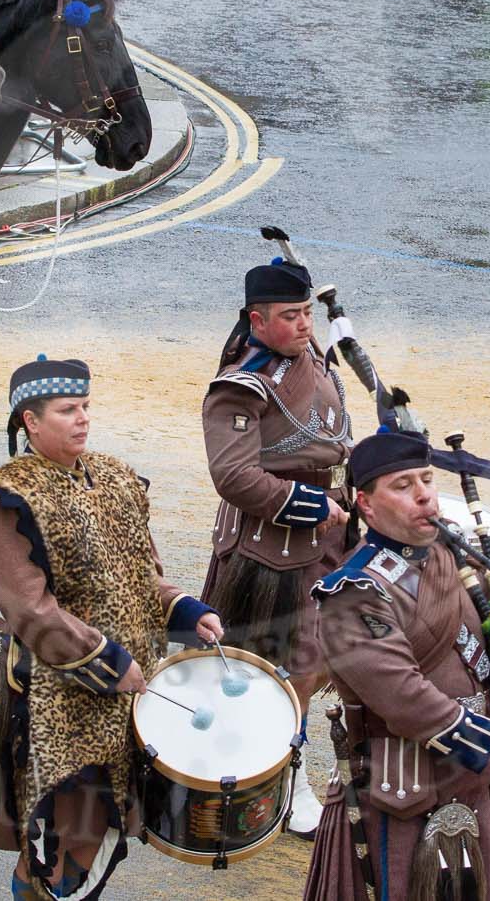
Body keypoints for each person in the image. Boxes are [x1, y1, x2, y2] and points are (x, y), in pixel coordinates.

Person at [0, 356, 221, 901]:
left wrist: (185, 610)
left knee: (90, 844)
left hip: (122, 693)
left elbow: (140, 577)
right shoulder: (5, 498)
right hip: (47, 696)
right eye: (67, 410)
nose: (82, 418)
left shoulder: (114, 477)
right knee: (57, 853)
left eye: (85, 406)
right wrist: (109, 660)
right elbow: (29, 609)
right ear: (30, 422)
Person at [302, 427, 490, 901]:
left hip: (468, 780)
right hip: (397, 791)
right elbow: (404, 698)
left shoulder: (448, 554)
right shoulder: (352, 594)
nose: (424, 496)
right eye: (402, 485)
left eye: (426, 480)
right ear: (366, 504)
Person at [197, 258, 353, 838]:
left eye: (307, 312)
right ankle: (292, 782)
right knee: (292, 669)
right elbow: (234, 478)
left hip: (330, 533)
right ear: (256, 320)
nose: (304, 324)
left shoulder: (307, 354)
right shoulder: (241, 383)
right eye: (290, 316)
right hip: (272, 549)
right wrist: (315, 508)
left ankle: (268, 770)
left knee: (318, 664)